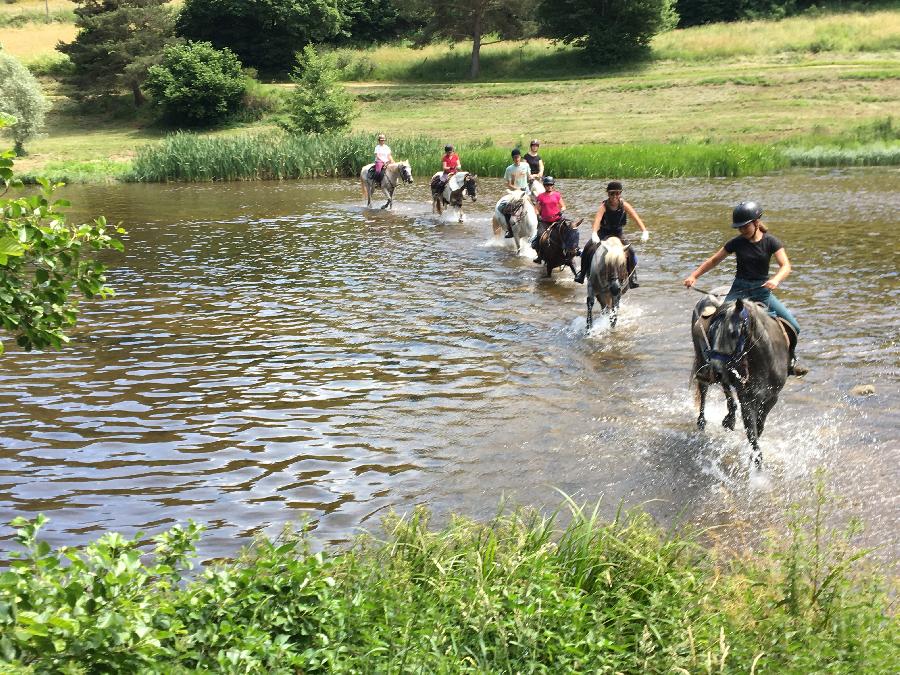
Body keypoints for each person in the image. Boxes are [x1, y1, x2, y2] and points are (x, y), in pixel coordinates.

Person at [683, 201, 807, 376]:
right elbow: (714, 260)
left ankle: (790, 362)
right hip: (739, 290)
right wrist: (694, 276)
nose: (742, 231)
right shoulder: (736, 243)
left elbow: (785, 265)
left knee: (794, 326)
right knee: (717, 321)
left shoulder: (771, 242)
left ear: (756, 223)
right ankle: (709, 364)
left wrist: (776, 279)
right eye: (739, 228)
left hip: (762, 291)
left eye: (745, 227)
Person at [573, 181, 648, 286]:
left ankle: (632, 277)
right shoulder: (604, 206)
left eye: (617, 193)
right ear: (608, 194)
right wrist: (594, 233)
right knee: (588, 248)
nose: (614, 196)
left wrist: (644, 231)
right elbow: (597, 220)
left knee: (631, 252)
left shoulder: (624, 205)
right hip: (603, 233)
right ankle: (582, 274)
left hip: (618, 233)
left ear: (620, 194)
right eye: (612, 193)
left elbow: (636, 218)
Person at [532, 176, 574, 264]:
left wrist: (561, 210)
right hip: (545, 222)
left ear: (553, 185)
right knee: (540, 236)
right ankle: (539, 255)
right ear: (544, 185)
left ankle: (571, 252)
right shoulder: (540, 197)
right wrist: (538, 215)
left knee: (568, 233)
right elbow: (536, 208)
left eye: (551, 185)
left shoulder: (557, 195)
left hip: (557, 220)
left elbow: (563, 206)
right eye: (547, 185)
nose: (549, 186)